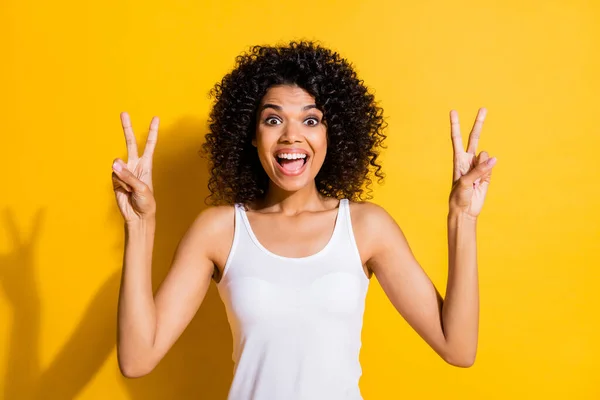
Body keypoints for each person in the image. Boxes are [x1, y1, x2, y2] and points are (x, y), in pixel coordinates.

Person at [111, 41, 497, 400]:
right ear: (251, 134)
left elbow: (458, 347)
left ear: (333, 134)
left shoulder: (366, 228)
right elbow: (137, 358)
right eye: (273, 120)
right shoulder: (219, 231)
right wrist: (139, 225)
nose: (291, 136)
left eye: (311, 121)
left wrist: (462, 217)